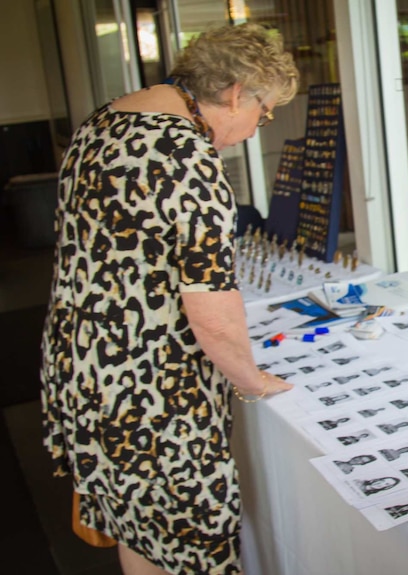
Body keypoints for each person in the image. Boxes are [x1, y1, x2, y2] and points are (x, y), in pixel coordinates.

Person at [39, 23, 299, 575]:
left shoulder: (105, 119)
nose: (258, 127)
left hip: (82, 363)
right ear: (235, 94)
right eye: (265, 110)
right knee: (188, 544)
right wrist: (251, 381)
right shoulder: (187, 156)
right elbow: (210, 308)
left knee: (140, 529)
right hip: (150, 391)